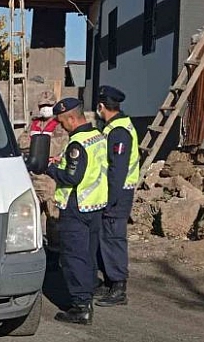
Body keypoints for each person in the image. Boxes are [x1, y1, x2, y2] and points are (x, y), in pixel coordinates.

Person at [45, 97, 108, 325]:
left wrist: (49, 168)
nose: (62, 126)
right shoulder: (97, 137)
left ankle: (81, 307)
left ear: (71, 118)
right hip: (95, 204)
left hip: (76, 206)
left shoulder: (77, 143)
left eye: (62, 122)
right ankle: (88, 291)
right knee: (88, 254)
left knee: (74, 257)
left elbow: (71, 176)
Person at [94, 85, 139, 307]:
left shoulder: (119, 131)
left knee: (113, 239)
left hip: (118, 194)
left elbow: (117, 170)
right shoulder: (112, 128)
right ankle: (110, 281)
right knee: (105, 238)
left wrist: (109, 199)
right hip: (114, 192)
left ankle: (119, 287)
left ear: (101, 106)